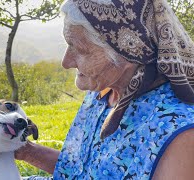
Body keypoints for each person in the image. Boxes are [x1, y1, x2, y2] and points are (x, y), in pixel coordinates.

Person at [15, 0, 194, 179]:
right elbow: (81, 171)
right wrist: (25, 151)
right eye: (68, 44)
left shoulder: (179, 134)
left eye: (80, 50)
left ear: (129, 52)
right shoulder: (102, 94)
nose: (66, 62)